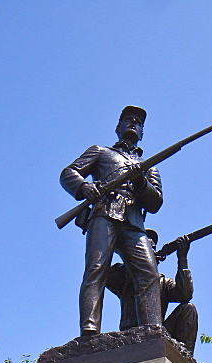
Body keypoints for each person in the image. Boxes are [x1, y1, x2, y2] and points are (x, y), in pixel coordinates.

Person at [60, 106, 163, 337]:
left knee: (149, 273)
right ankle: (90, 328)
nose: (133, 123)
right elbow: (68, 173)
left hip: (134, 222)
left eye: (138, 122)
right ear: (117, 126)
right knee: (97, 269)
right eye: (128, 119)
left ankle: (153, 329)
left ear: (143, 132)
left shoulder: (150, 167)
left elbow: (155, 202)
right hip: (104, 214)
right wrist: (84, 187)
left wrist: (140, 183)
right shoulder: (100, 152)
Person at [106, 231, 199, 353]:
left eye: (153, 248)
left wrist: (182, 260)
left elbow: (185, 295)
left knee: (189, 309)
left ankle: (186, 355)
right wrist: (134, 259)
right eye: (147, 248)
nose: (152, 250)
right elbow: (104, 275)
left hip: (158, 330)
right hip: (131, 333)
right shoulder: (125, 275)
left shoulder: (163, 282)